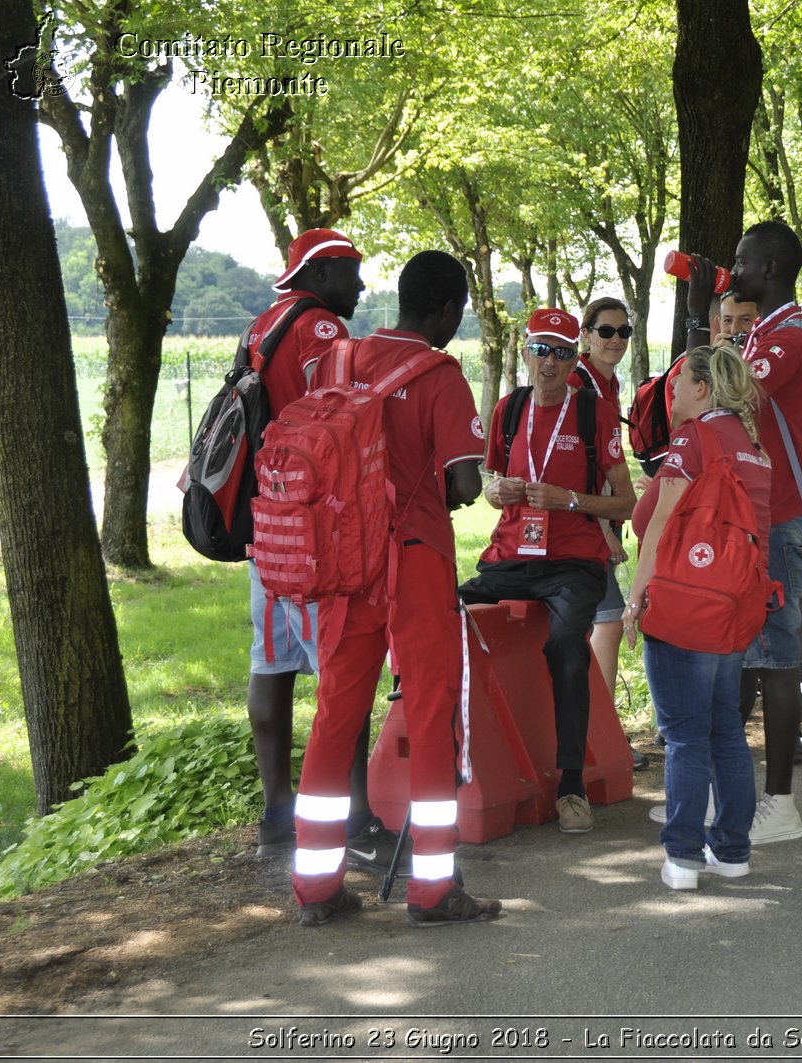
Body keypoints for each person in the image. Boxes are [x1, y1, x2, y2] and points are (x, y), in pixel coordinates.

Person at [290, 249, 500, 928]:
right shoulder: (440, 375)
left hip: (342, 562)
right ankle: (434, 887)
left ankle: (316, 886)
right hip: (413, 559)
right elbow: (466, 483)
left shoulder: (338, 359)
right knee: (432, 715)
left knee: (335, 715)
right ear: (446, 309)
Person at [241, 227, 390, 864]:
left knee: (269, 663)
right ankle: (351, 817)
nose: (359, 286)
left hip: (266, 530)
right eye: (351, 272)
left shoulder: (261, 325)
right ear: (322, 272)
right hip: (316, 534)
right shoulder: (322, 330)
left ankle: (277, 812)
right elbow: (342, 418)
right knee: (343, 669)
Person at [458, 308, 636, 835]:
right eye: (540, 348)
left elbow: (626, 503)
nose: (549, 362)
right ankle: (453, 758)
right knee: (445, 609)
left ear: (573, 357)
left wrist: (572, 500)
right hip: (512, 556)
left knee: (565, 644)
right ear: (525, 352)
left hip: (574, 563)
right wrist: (496, 491)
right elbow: (489, 483)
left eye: (561, 351)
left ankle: (571, 785)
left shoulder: (592, 413)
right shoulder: (509, 409)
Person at [679, 221, 802, 844]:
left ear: (767, 268)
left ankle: (780, 804)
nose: (731, 269)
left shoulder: (788, 338)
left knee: (778, 662)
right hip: (752, 515)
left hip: (778, 519)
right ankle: (717, 794)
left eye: (740, 260)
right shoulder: (763, 331)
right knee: (737, 659)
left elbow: (725, 395)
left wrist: (696, 319)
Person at [625, 346, 770, 888]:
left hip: (686, 601)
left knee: (685, 735)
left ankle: (682, 855)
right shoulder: (753, 447)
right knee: (725, 728)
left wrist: (637, 600)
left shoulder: (693, 439)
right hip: (734, 607)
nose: (672, 391)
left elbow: (660, 524)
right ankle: (732, 851)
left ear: (703, 389)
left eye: (679, 381)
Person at [573, 296, 644, 766]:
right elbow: (574, 470)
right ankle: (601, 737)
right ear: (586, 334)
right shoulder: (581, 386)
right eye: (606, 331)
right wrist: (605, 530)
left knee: (588, 630)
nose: (615, 340)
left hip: (591, 521)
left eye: (624, 333)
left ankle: (588, 735)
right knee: (608, 624)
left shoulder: (607, 383)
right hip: (578, 526)